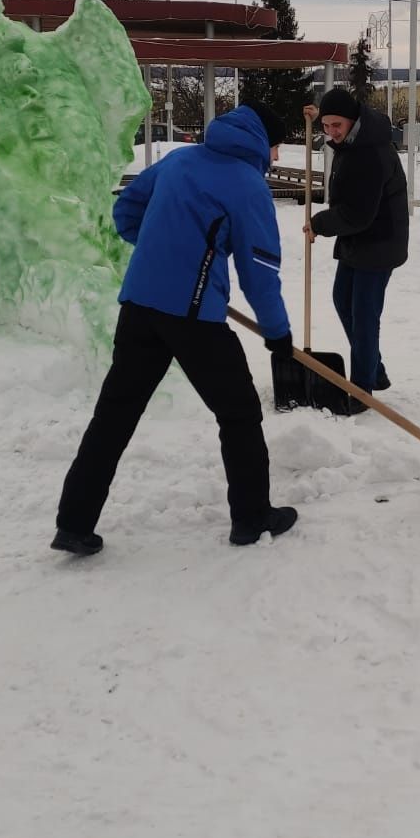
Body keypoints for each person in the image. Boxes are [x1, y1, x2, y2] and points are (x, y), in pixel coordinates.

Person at [53, 100, 297, 554]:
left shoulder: (180, 159)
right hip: (192, 317)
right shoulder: (247, 185)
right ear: (263, 140)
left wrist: (165, 252)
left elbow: (127, 212)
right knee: (239, 413)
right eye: (278, 146)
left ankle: (74, 522)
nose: (277, 157)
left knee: (115, 414)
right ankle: (252, 516)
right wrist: (278, 334)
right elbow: (260, 270)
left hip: (140, 304)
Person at [302, 87, 409, 409]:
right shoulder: (352, 141)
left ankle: (362, 391)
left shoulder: (369, 153)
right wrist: (313, 118)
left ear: (353, 121)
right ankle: (373, 370)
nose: (332, 132)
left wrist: (319, 224)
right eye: (326, 125)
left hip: (378, 241)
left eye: (337, 125)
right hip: (358, 237)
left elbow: (358, 213)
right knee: (342, 300)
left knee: (363, 315)